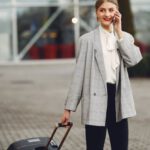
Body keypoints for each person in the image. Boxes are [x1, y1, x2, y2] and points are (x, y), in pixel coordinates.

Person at [60, 0, 142, 150]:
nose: (107, 14)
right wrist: (68, 109)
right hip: (94, 99)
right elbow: (79, 76)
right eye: (102, 10)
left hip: (118, 100)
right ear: (96, 13)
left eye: (111, 10)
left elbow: (134, 60)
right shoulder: (86, 40)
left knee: (120, 146)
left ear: (117, 13)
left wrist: (119, 32)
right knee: (94, 146)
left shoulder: (125, 37)